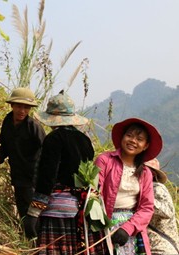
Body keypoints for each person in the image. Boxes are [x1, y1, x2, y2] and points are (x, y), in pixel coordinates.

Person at [26, 90, 107, 255]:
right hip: (81, 207)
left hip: (58, 210)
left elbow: (46, 177)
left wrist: (33, 212)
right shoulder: (85, 140)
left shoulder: (54, 139)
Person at [95, 118, 163, 255]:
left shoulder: (145, 173)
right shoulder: (105, 160)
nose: (133, 141)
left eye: (139, 139)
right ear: (122, 137)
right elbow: (94, 193)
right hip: (104, 224)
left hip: (131, 228)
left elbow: (147, 207)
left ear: (145, 146)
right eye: (129, 135)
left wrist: (127, 228)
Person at [0, 87, 46, 237]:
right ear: (12, 105)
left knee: (34, 215)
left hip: (34, 178)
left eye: (26, 107)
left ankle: (38, 245)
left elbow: (46, 151)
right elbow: (5, 145)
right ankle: (27, 243)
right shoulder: (7, 121)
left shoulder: (34, 127)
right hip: (18, 176)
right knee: (23, 211)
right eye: (19, 106)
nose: (22, 111)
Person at [144, 158, 179, 255]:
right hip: (153, 248)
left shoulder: (157, 188)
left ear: (153, 174)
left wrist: (143, 199)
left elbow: (167, 211)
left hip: (162, 248)